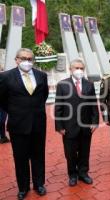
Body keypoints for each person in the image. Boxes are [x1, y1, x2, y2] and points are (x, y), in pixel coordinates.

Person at [0, 48, 49, 199]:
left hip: (38, 124)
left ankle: (39, 184)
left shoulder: (41, 75)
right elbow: (2, 100)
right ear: (16, 60)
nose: (26, 61)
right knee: (20, 158)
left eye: (29, 59)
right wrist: (17, 112)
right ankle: (23, 187)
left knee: (38, 156)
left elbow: (44, 96)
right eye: (23, 58)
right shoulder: (5, 77)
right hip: (18, 125)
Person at [55, 59, 99, 186]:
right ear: (70, 69)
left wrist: (95, 122)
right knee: (70, 153)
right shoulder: (62, 85)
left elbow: (93, 105)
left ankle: (83, 173)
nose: (79, 70)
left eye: (81, 68)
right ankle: (72, 175)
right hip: (69, 127)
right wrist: (59, 126)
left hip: (86, 126)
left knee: (85, 151)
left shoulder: (89, 85)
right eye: (76, 68)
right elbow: (58, 107)